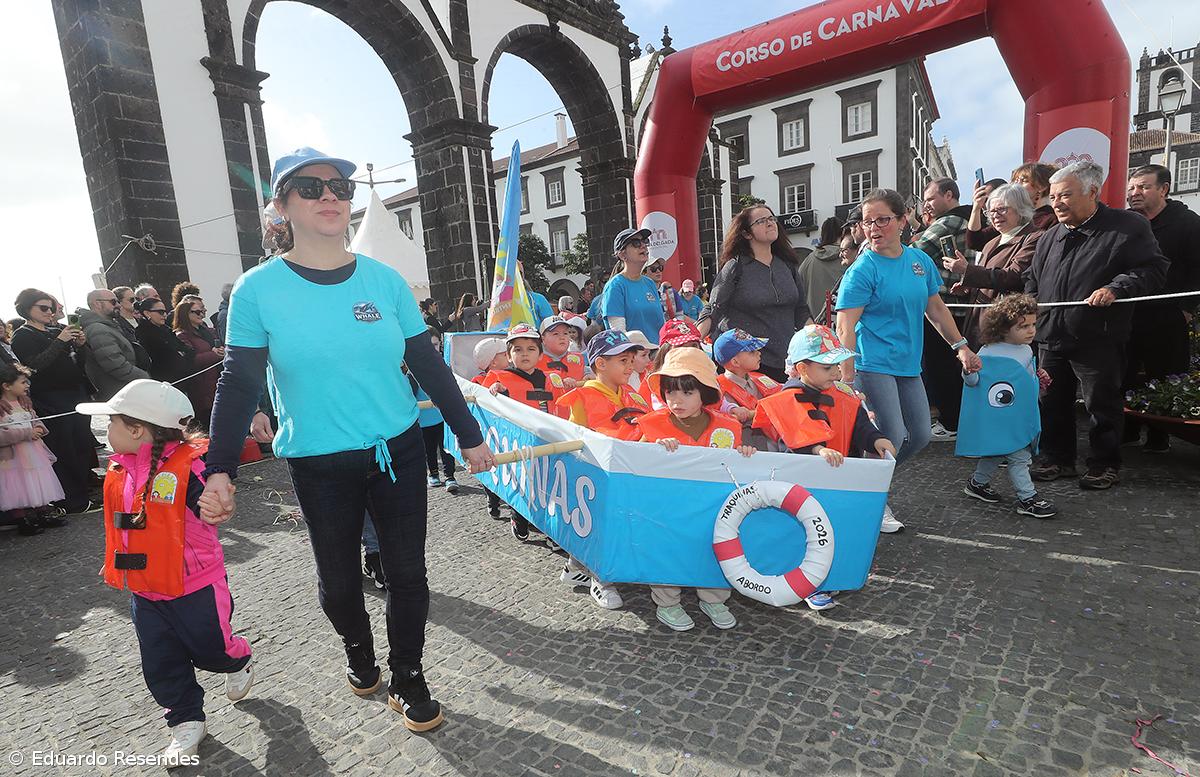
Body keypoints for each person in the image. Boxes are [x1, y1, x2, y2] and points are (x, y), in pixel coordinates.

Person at [201, 147, 493, 733]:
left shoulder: (384, 281)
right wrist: (220, 466)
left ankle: (407, 675)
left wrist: (469, 435)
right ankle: (358, 651)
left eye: (339, 186)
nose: (329, 196)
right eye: (310, 187)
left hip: (399, 450)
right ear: (281, 205)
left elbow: (428, 366)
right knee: (338, 585)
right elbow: (238, 381)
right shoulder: (257, 291)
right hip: (318, 461)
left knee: (407, 573)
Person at [76, 379, 253, 765]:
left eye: (112, 424)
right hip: (146, 591)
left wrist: (214, 506)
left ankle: (237, 660)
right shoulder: (120, 467)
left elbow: (208, 500)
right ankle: (185, 719)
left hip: (195, 586)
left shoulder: (188, 467)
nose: (107, 433)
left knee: (213, 649)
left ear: (138, 429)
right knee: (160, 662)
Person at [836, 189, 981, 533]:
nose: (874, 228)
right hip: (872, 364)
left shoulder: (919, 262)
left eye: (883, 219)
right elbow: (845, 326)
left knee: (919, 436)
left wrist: (960, 346)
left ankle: (865, 481)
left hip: (908, 364)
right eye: (868, 221)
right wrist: (846, 377)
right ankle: (875, 498)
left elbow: (935, 309)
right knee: (893, 434)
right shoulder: (862, 270)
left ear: (903, 221)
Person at [1025, 160, 1168, 490]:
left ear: (1092, 192)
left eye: (1065, 196)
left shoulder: (1126, 227)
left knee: (1100, 403)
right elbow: (1032, 278)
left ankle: (1104, 463)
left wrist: (1115, 289)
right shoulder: (1048, 237)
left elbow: (1152, 269)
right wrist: (1031, 301)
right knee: (1051, 400)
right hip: (1051, 334)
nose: (1056, 203)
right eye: (1053, 196)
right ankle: (1057, 458)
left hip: (1098, 335)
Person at [753, 325, 896, 607]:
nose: (836, 371)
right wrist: (817, 449)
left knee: (833, 529)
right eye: (827, 365)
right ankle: (806, 584)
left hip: (836, 480)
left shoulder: (844, 396)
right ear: (803, 368)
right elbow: (791, 440)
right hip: (798, 485)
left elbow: (860, 425)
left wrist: (877, 439)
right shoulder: (782, 401)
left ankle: (833, 576)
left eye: (837, 364)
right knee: (802, 535)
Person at [636, 347, 752, 631]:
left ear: (705, 393)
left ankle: (713, 598)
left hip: (712, 509)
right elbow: (632, 464)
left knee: (714, 547)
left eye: (687, 393)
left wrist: (746, 452)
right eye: (671, 392)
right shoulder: (651, 425)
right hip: (667, 510)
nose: (677, 401)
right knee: (667, 550)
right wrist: (652, 448)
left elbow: (736, 465)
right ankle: (667, 602)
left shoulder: (728, 426)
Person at [557, 330, 648, 611]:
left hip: (627, 472)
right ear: (600, 364)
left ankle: (574, 565)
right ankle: (601, 580)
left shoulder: (632, 393)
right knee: (600, 527)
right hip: (597, 476)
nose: (630, 365)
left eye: (631, 359)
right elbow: (576, 440)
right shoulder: (583, 397)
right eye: (623, 360)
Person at [956, 294, 1057, 519]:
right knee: (1019, 457)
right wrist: (968, 371)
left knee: (996, 453)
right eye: (1023, 327)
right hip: (1000, 418)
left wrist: (1039, 377)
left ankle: (977, 484)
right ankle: (1027, 498)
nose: (1031, 331)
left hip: (1018, 416)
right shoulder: (987, 351)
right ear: (1003, 328)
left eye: (1033, 325)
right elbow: (974, 384)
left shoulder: (1025, 350)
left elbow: (1023, 381)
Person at [1123, 163, 1200, 452]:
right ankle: (1127, 430)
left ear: (1163, 189)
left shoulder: (1188, 223)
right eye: (1131, 187)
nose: (1135, 193)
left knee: (1164, 372)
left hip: (1169, 312)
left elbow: (1198, 267)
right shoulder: (1125, 221)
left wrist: (1187, 307)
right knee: (1124, 371)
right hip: (1128, 312)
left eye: (1143, 186)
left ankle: (1159, 435)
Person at [701, 205, 812, 382]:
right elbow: (714, 308)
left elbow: (800, 310)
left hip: (786, 360)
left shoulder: (787, 265)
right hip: (745, 363)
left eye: (771, 219)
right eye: (761, 221)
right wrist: (691, 343)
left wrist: (818, 337)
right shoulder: (735, 267)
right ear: (746, 234)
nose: (770, 224)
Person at [10, 288, 95, 514]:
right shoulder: (23, 335)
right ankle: (71, 499)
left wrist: (79, 345)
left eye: (52, 307)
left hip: (75, 392)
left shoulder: (56, 329)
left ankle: (83, 492)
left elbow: (79, 362)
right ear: (27, 309)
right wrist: (60, 341)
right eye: (44, 308)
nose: (51, 312)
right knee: (64, 447)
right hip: (51, 396)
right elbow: (34, 366)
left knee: (81, 443)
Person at [483, 322, 567, 544]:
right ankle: (518, 515)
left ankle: (551, 530)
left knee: (548, 488)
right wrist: (496, 392)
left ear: (540, 354)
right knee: (522, 486)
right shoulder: (498, 378)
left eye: (530, 349)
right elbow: (485, 401)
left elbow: (561, 407)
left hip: (545, 442)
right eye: (517, 349)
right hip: (515, 446)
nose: (524, 354)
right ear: (509, 355)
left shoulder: (551, 379)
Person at [944, 184, 1044, 350]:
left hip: (1008, 328)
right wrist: (968, 285)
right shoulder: (991, 242)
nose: (995, 216)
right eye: (991, 211)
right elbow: (988, 276)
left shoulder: (1033, 238)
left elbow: (1014, 276)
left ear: (1020, 209)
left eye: (1002, 209)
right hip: (980, 323)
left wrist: (967, 270)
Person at [913, 178, 975, 442]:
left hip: (942, 303)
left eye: (930, 198)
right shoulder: (967, 219)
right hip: (956, 303)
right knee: (947, 365)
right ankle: (953, 419)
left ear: (949, 195)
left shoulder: (949, 221)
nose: (926, 204)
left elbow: (915, 252)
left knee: (942, 366)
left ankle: (951, 422)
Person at [0, 364, 66, 535]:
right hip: (13, 456)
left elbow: (36, 419)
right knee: (17, 484)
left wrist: (39, 428)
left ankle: (42, 512)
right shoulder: (2, 408)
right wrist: (26, 433)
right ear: (6, 386)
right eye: (23, 382)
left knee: (37, 480)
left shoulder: (24, 403)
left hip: (33, 452)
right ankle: (22, 519)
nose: (27, 385)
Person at [76, 288, 151, 400]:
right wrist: (145, 378)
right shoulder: (98, 329)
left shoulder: (107, 326)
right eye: (113, 302)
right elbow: (116, 365)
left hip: (124, 391)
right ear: (98, 304)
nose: (118, 305)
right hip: (120, 394)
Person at [713, 328, 781, 450]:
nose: (759, 353)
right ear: (735, 362)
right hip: (753, 447)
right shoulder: (719, 389)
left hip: (779, 438)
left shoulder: (760, 378)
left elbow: (785, 397)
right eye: (752, 351)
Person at [600, 228, 665, 343]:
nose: (643, 246)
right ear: (622, 254)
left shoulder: (649, 283)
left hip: (658, 354)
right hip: (635, 356)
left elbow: (661, 324)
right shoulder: (615, 286)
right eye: (636, 243)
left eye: (645, 241)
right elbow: (619, 335)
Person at [173, 298, 225, 428]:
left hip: (217, 382)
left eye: (203, 311)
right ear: (186, 314)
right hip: (201, 387)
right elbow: (190, 361)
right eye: (197, 312)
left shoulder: (206, 330)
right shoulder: (181, 335)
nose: (201, 314)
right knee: (209, 425)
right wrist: (213, 354)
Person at [798, 217, 846, 325]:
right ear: (843, 233)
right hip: (844, 324)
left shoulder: (808, 260)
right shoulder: (848, 258)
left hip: (816, 327)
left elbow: (799, 292)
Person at [136, 297, 194, 383]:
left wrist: (183, 353)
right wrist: (181, 354)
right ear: (147, 313)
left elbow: (188, 350)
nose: (164, 315)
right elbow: (167, 357)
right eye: (160, 312)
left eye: (165, 312)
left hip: (182, 379)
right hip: (164, 382)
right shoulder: (143, 333)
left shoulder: (165, 329)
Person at [537, 315, 586, 388]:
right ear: (543, 339)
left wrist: (588, 376)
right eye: (555, 334)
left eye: (565, 333)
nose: (562, 337)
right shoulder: (533, 361)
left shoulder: (578, 359)